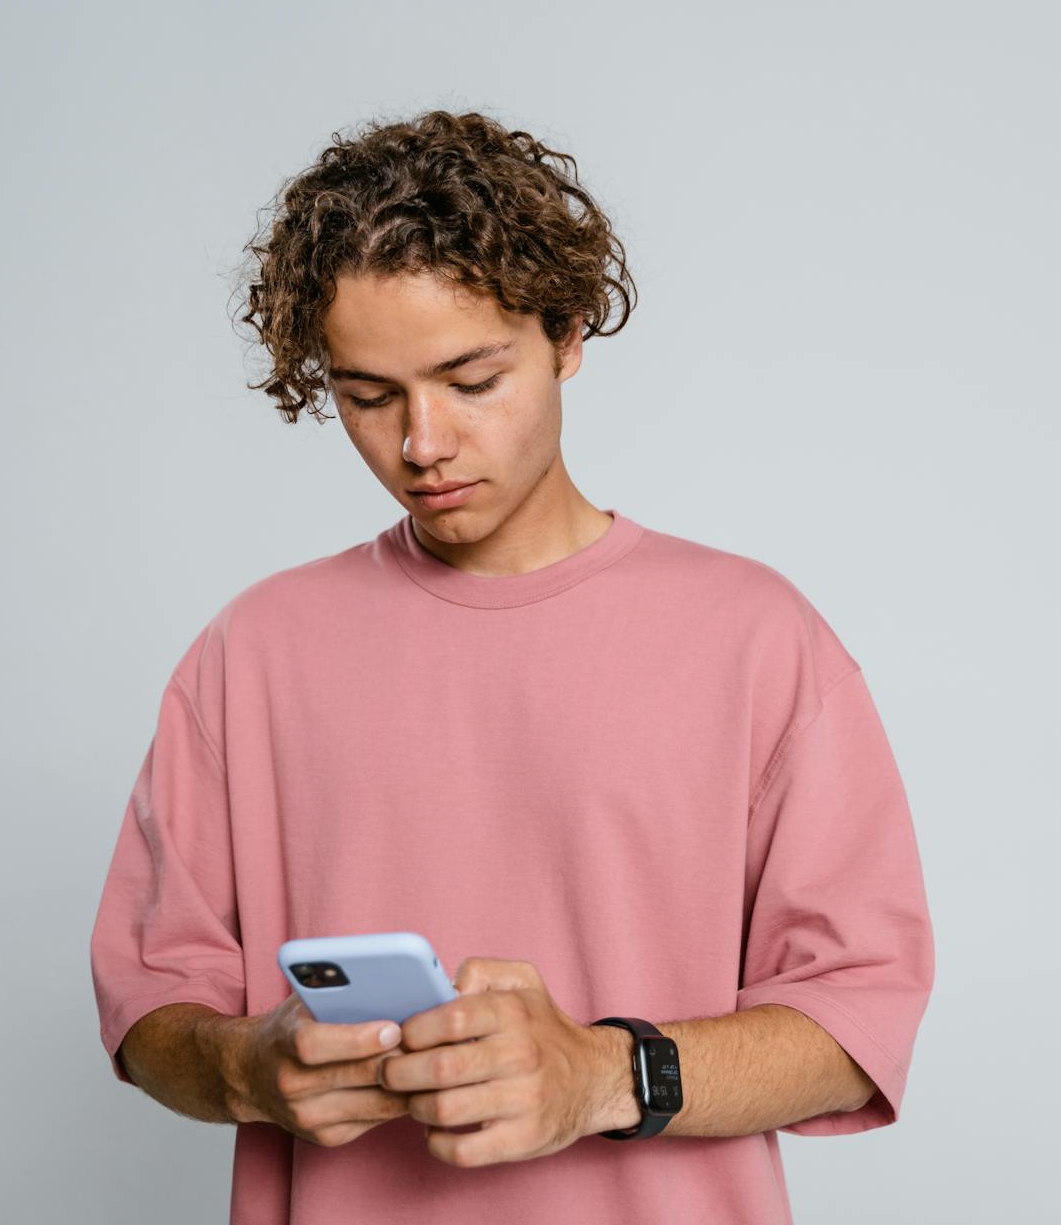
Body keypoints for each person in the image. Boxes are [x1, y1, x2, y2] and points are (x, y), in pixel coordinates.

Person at [88, 108, 935, 1225]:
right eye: (369, 396)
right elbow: (151, 1008)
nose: (422, 443)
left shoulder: (756, 637)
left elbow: (857, 1022)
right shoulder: (253, 653)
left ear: (568, 334)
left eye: (470, 379)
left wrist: (598, 1075)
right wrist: (250, 1067)